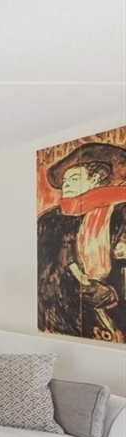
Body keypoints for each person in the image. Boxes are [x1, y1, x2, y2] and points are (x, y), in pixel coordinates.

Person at [37, 142, 126, 342]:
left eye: (74, 178)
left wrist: (111, 297)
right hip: (54, 314)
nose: (66, 184)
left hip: (103, 320)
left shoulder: (120, 213)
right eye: (65, 180)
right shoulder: (49, 220)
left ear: (96, 180)